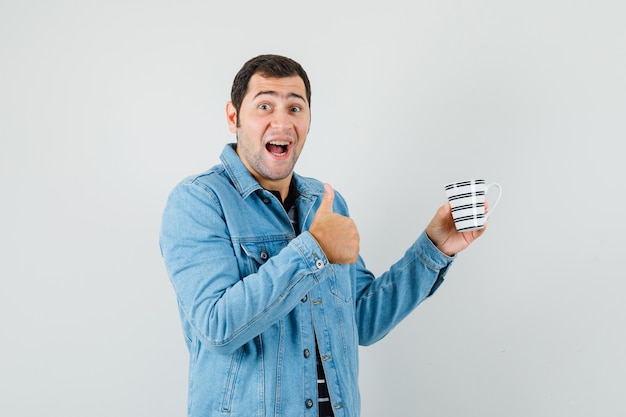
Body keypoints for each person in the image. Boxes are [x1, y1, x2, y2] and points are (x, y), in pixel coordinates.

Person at [159, 54, 487, 417]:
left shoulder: (325, 204)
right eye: (264, 105)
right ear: (233, 117)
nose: (281, 121)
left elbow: (363, 320)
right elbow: (218, 326)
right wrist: (312, 250)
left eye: (295, 108)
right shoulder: (198, 201)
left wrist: (435, 247)